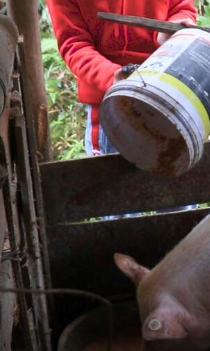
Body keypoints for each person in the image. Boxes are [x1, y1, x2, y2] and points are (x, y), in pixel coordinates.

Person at [47, 0, 198, 215]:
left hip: (167, 86)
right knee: (118, 209)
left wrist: (171, 30)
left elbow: (181, 7)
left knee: (179, 203)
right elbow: (74, 44)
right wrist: (115, 77)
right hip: (110, 99)